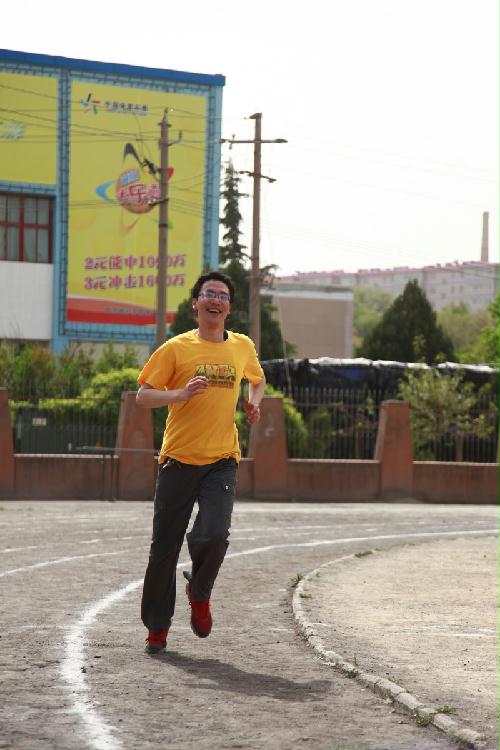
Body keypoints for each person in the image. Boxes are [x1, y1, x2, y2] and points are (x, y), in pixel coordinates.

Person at [136, 271, 265, 653]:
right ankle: (157, 628)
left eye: (222, 295)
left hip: (221, 459)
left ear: (229, 307)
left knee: (215, 535)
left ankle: (199, 591)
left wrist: (253, 404)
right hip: (177, 459)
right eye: (209, 293)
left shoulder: (241, 346)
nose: (215, 300)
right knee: (164, 550)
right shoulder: (176, 348)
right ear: (195, 303)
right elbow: (143, 396)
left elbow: (257, 379)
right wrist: (180, 394)